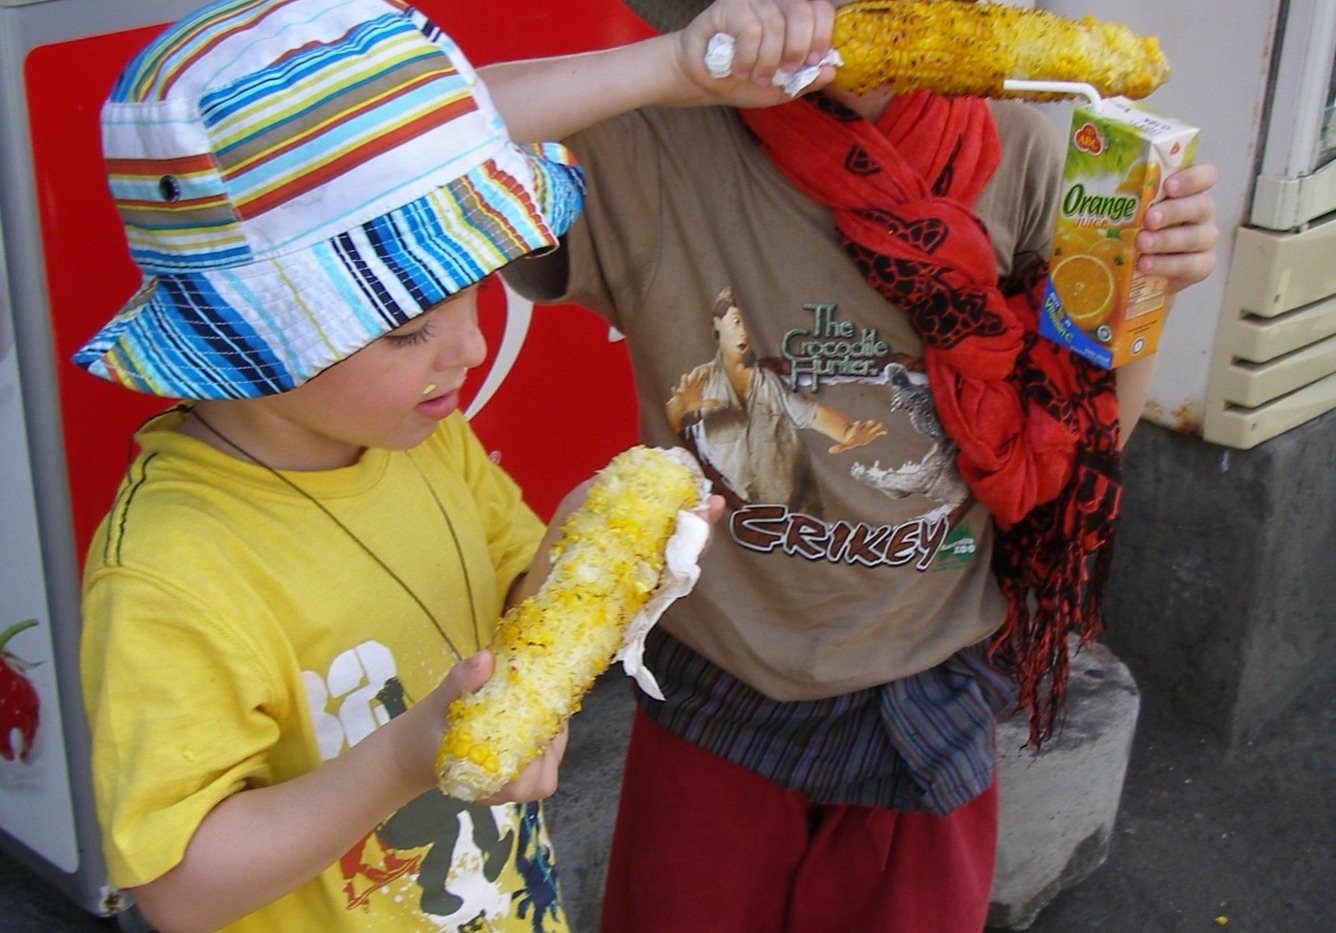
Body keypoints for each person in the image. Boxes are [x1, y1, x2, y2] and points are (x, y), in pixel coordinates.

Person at [72, 1, 828, 930]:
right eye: (405, 326)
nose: (470, 348)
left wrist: (592, 553)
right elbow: (180, 887)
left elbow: (517, 602)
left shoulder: (423, 435)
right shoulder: (168, 571)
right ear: (244, 342)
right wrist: (402, 757)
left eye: (476, 288)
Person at [502, 1, 1222, 930]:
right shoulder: (651, 147)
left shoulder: (1030, 156)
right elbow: (413, 137)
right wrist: (674, 66)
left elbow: (1079, 444)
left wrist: (1149, 282)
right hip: (718, 685)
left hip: (931, 686)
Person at [668, 287, 887, 512]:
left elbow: (813, 413)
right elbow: (663, 427)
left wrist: (847, 431)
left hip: (790, 519)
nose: (744, 331)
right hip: (727, 517)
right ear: (717, 324)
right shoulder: (701, 382)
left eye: (749, 323)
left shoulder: (771, 380)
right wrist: (680, 408)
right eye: (736, 321)